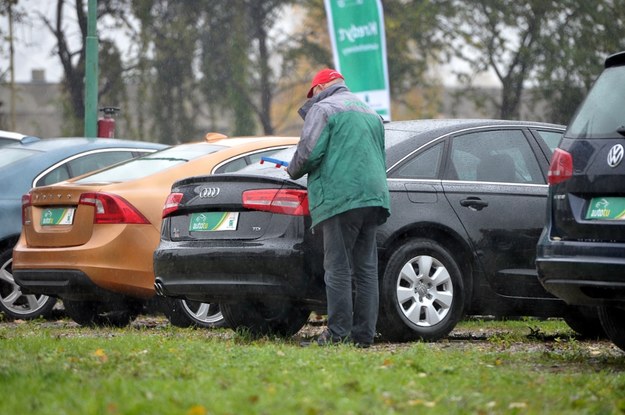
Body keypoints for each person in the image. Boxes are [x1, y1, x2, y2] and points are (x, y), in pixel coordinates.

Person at [287, 68, 390, 348]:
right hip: (373, 197)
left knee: (338, 268)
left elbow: (309, 152)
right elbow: (380, 157)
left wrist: (291, 169)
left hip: (341, 198)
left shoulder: (323, 109)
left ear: (319, 89)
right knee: (366, 269)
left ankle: (337, 334)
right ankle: (364, 336)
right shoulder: (371, 112)